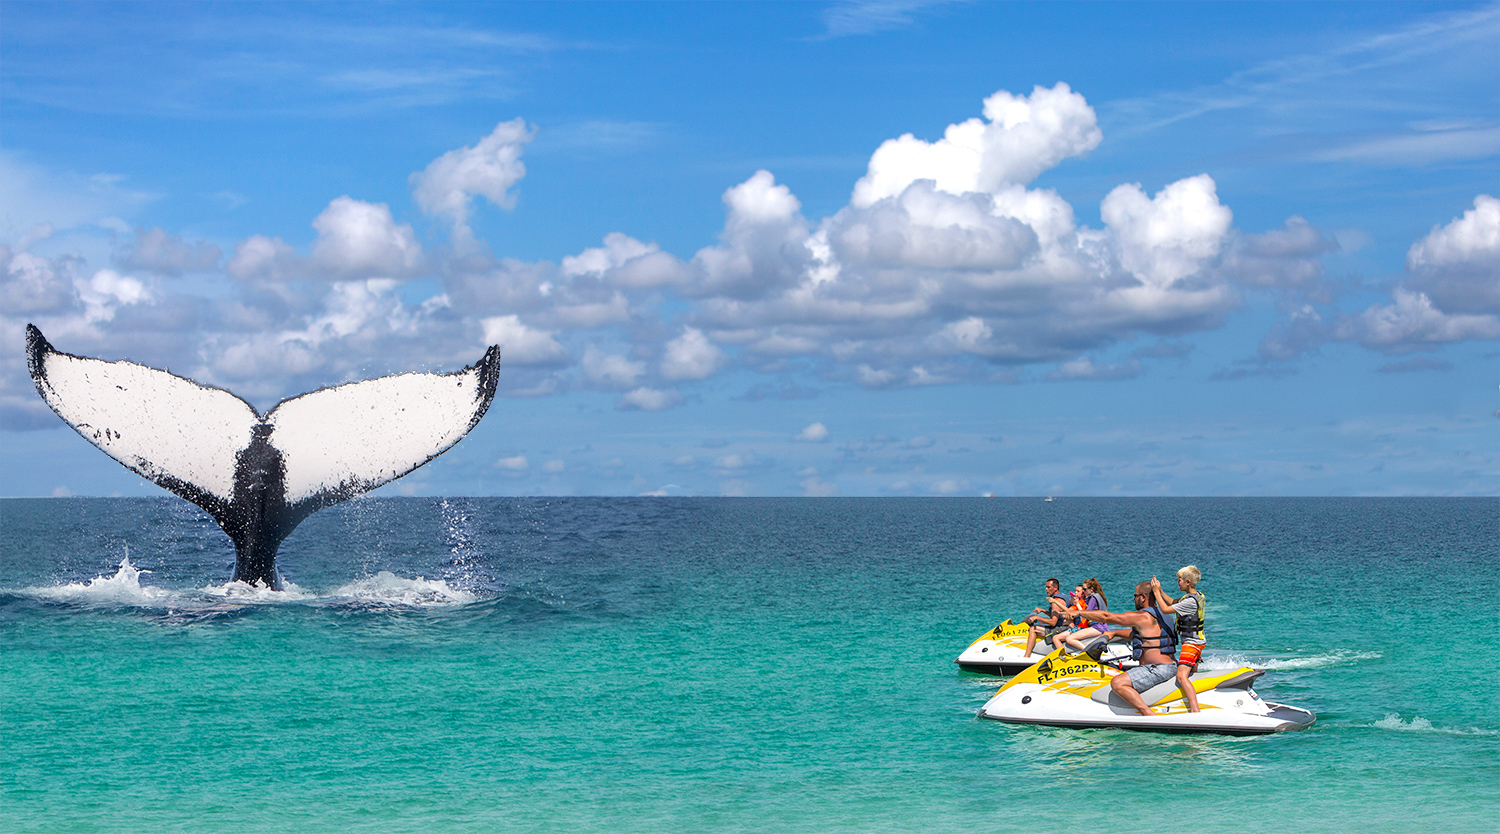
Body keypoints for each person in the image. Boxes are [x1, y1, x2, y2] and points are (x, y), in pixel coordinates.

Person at [1073, 581, 1178, 716]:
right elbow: (1144, 635)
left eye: (1135, 596)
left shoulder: (1143, 616)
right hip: (1170, 665)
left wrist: (1080, 613)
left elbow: (1107, 617)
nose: (1134, 599)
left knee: (1117, 682)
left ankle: (1148, 714)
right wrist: (1115, 633)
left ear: (1143, 597)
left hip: (1156, 668)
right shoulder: (1163, 614)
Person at [1152, 566, 1206, 713]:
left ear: (1188, 582)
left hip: (1192, 643)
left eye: (1179, 580)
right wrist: (1160, 590)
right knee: (1191, 674)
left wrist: (1156, 592)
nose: (1178, 583)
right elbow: (1171, 602)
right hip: (1199, 641)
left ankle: (1195, 711)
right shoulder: (1197, 596)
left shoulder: (1189, 602)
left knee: (1181, 677)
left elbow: (1165, 609)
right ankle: (1198, 700)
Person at [1059, 578, 1123, 653]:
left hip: (1097, 627)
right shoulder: (1099, 597)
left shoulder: (1093, 598)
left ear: (1091, 589)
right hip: (1103, 626)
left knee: (1069, 639)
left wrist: (1076, 604)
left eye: (1085, 589)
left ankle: (1089, 652)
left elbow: (1085, 615)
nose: (1083, 591)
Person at [1022, 578, 1070, 657]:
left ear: (1055, 588)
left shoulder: (1056, 601)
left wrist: (1037, 618)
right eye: (1046, 587)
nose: (1046, 589)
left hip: (1063, 628)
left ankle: (1026, 656)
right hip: (1066, 626)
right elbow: (1058, 615)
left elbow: (1053, 622)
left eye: (1048, 587)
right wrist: (1043, 611)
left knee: (1033, 629)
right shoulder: (1062, 596)